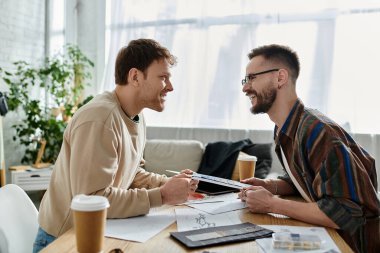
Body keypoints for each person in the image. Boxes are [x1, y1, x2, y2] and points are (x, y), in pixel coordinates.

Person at [33, 39, 198, 252]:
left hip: (96, 233)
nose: (170, 87)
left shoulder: (135, 116)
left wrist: (169, 184)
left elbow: (130, 173)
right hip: (64, 240)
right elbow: (91, 199)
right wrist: (163, 195)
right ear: (135, 77)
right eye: (163, 77)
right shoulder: (100, 118)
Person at [239, 44, 379, 253]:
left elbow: (345, 214)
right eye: (245, 80)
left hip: (353, 244)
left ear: (280, 78)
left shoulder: (319, 132)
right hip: (326, 235)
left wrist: (271, 204)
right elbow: (309, 178)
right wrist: (271, 185)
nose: (245, 87)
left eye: (252, 78)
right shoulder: (283, 128)